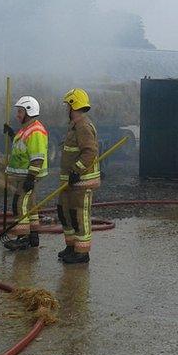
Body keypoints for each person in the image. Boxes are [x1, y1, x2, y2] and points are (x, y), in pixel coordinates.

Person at [57, 88, 100, 264]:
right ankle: (71, 246)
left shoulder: (83, 126)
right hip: (70, 182)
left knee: (79, 215)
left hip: (82, 182)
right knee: (64, 213)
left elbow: (90, 152)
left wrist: (77, 170)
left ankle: (82, 252)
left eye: (67, 105)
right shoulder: (74, 125)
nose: (66, 108)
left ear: (73, 105)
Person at [2, 96, 49, 251]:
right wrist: (11, 134)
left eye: (20, 111)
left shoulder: (35, 131)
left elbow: (37, 157)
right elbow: (23, 148)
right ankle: (33, 236)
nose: (17, 115)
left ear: (29, 111)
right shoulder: (27, 129)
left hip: (28, 176)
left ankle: (23, 238)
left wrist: (30, 177)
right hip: (25, 176)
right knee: (30, 206)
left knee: (19, 204)